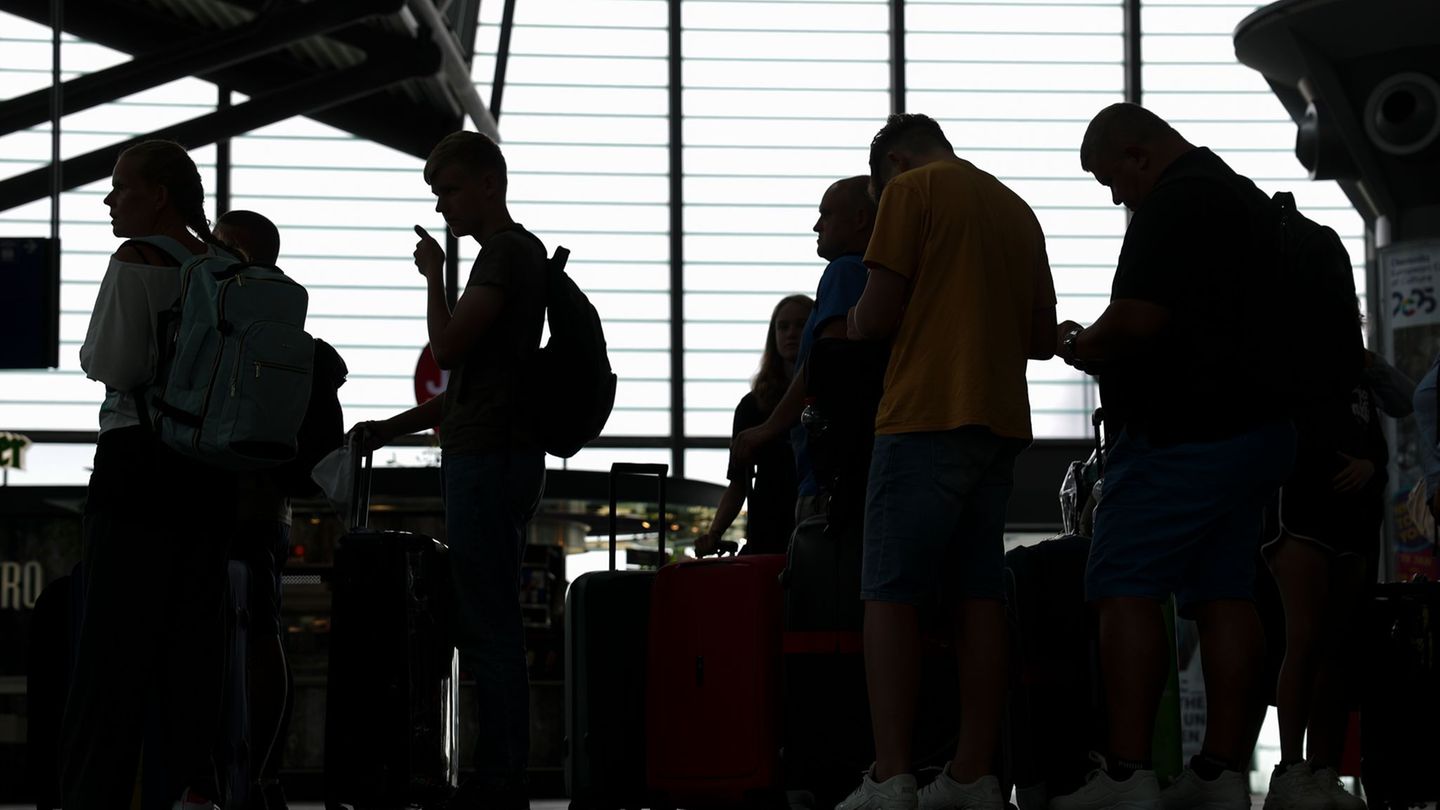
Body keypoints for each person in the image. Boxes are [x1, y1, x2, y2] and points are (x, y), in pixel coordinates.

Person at [1050, 103, 1297, 810]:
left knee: (1124, 583)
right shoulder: (1244, 198)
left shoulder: (1174, 202)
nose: (1115, 195)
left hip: (1182, 436)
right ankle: (1220, 775)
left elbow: (1137, 320)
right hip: (1255, 432)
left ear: (1138, 155)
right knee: (1223, 593)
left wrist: (1079, 343)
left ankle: (1128, 776)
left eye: (1110, 179)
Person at [836, 113, 1057, 810]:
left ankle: (893, 775)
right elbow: (1042, 337)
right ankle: (971, 775)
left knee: (890, 594)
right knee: (977, 599)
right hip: (996, 424)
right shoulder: (1015, 208)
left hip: (924, 415)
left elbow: (875, 315)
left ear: (893, 162)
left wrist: (850, 325)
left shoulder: (912, 190)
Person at [352, 130, 546, 810]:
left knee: (487, 620)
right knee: (490, 614)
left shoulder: (503, 255)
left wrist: (434, 277)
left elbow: (448, 349)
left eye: (451, 190)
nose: (443, 207)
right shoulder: (513, 257)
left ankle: (499, 778)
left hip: (487, 459)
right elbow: (466, 387)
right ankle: (501, 772)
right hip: (496, 451)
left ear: (490, 182)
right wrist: (390, 427)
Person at [72, 139, 238, 810]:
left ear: (159, 194)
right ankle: (191, 787)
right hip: (211, 473)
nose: (110, 199)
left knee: (111, 646)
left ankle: (96, 796)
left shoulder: (136, 259)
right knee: (190, 642)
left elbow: (111, 363)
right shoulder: (227, 267)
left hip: (138, 463)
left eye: (121, 186)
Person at [212, 208, 349, 810]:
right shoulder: (302, 346)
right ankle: (263, 774)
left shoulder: (216, 328)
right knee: (263, 633)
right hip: (272, 509)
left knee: (213, 637)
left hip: (217, 502)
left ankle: (214, 776)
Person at [1262, 344, 1412, 810]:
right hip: (1303, 510)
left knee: (1339, 648)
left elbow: (1404, 400)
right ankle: (1291, 768)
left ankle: (1323, 771)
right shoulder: (1290, 356)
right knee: (1304, 639)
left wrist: (1371, 467)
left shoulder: (1361, 367)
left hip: (1355, 518)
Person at [731, 175, 877, 524]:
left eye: (826, 214)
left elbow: (827, 367)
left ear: (859, 219)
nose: (817, 225)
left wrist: (768, 429)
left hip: (829, 478)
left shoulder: (844, 271)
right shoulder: (875, 279)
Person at [694, 294, 811, 557]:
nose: (791, 333)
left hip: (787, 528)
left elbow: (739, 482)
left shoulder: (757, 404)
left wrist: (715, 534)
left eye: (800, 325)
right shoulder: (752, 405)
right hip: (776, 529)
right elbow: (738, 482)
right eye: (783, 327)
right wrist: (714, 533)